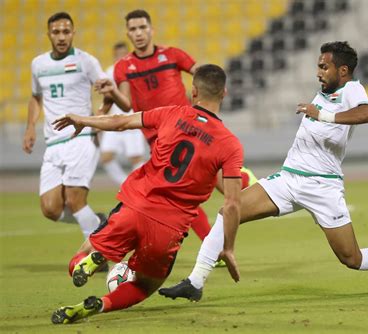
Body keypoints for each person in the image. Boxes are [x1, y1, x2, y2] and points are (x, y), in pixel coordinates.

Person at [158, 41, 368, 302]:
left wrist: (323, 115)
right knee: (228, 212)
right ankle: (195, 282)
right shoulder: (326, 91)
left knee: (351, 258)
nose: (318, 71)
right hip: (289, 178)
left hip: (323, 187)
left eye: (324, 66)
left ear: (342, 70)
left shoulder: (351, 89)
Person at [50, 64, 244, 324]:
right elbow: (232, 203)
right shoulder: (230, 144)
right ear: (224, 93)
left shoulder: (171, 114)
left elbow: (121, 122)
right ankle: (99, 305)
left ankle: (93, 259)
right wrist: (228, 247)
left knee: (78, 260)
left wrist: (83, 120)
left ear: (193, 91)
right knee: (144, 287)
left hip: (135, 206)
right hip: (169, 228)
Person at [95, 9, 213, 241]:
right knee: (181, 191)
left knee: (177, 191)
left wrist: (203, 98)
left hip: (186, 131)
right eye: (133, 29)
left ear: (151, 30)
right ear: (128, 33)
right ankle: (213, 241)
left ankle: (209, 241)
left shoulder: (172, 55)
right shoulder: (124, 66)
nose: (138, 33)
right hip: (157, 138)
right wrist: (113, 92)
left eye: (142, 28)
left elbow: (202, 75)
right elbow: (127, 104)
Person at [22, 12, 106, 239]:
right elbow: (36, 97)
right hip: (53, 143)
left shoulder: (85, 61)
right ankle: (99, 223)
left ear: (73, 33)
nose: (61, 37)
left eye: (66, 32)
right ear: (48, 34)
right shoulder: (38, 64)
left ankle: (95, 255)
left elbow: (109, 91)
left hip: (80, 138)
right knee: (50, 208)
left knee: (74, 199)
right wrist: (30, 126)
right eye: (56, 32)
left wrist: (99, 118)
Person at [99, 42, 145, 185]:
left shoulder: (136, 68)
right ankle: (125, 184)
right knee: (106, 157)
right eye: (118, 55)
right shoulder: (109, 72)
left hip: (132, 118)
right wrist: (101, 115)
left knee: (136, 158)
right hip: (114, 120)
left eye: (123, 54)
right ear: (114, 56)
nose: (121, 57)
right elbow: (107, 97)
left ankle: (141, 186)